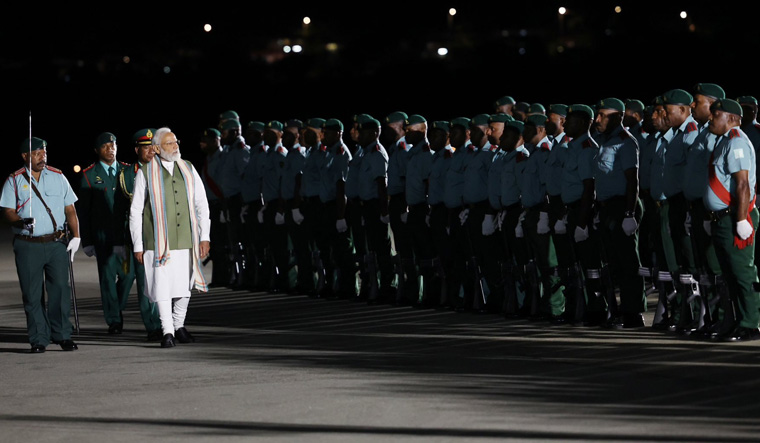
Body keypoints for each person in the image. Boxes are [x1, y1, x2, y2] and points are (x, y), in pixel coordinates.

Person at [129, 127, 210, 348]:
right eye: (169, 143)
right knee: (162, 285)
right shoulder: (145, 172)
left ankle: (179, 325)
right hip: (157, 241)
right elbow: (135, 211)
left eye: (176, 142)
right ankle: (167, 331)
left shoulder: (188, 168)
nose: (175, 146)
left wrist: (205, 236)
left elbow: (201, 204)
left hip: (186, 237)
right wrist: (138, 244)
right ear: (156, 148)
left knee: (185, 285)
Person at [1, 137, 80, 353]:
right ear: (25, 156)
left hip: (56, 243)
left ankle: (62, 335)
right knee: (32, 293)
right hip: (28, 244)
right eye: (36, 153)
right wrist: (19, 220)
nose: (42, 156)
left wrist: (76, 236)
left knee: (61, 291)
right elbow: (7, 210)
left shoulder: (58, 176)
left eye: (44, 152)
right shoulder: (14, 180)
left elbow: (70, 209)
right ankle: (38, 338)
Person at [703, 99, 760, 341]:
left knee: (742, 272)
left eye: (716, 115)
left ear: (733, 118)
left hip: (735, 217)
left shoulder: (736, 140)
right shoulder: (724, 141)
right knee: (727, 273)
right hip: (721, 218)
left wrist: (741, 220)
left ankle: (750, 323)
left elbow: (743, 184)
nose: (710, 118)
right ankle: (734, 320)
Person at [592, 98, 646, 328]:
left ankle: (633, 313)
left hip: (622, 205)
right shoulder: (603, 142)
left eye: (603, 115)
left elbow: (632, 180)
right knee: (613, 262)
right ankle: (617, 311)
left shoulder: (625, 142)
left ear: (618, 117)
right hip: (606, 207)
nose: (598, 119)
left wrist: (629, 213)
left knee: (628, 263)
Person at [78, 132, 133, 335]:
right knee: (108, 278)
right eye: (105, 146)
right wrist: (87, 241)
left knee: (129, 275)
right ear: (97, 150)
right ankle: (114, 320)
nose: (110, 149)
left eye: (113, 145)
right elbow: (84, 211)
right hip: (103, 237)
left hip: (126, 236)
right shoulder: (89, 174)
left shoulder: (127, 170)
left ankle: (115, 307)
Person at [113, 129, 163, 341]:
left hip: (154, 237)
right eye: (146, 147)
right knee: (127, 279)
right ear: (137, 150)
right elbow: (120, 209)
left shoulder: (164, 170)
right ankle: (117, 315)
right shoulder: (127, 174)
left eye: (154, 146)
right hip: (130, 238)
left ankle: (155, 325)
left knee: (149, 281)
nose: (151, 151)